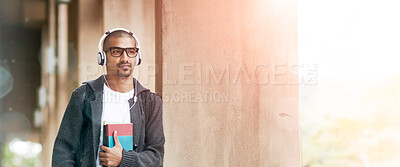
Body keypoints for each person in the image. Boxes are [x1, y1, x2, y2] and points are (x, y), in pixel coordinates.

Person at [52, 28, 164, 167]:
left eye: (131, 52)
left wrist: (124, 158)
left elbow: (156, 157)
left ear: (137, 57)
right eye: (116, 51)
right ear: (102, 57)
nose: (125, 58)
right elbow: (63, 150)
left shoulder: (151, 102)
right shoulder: (84, 96)